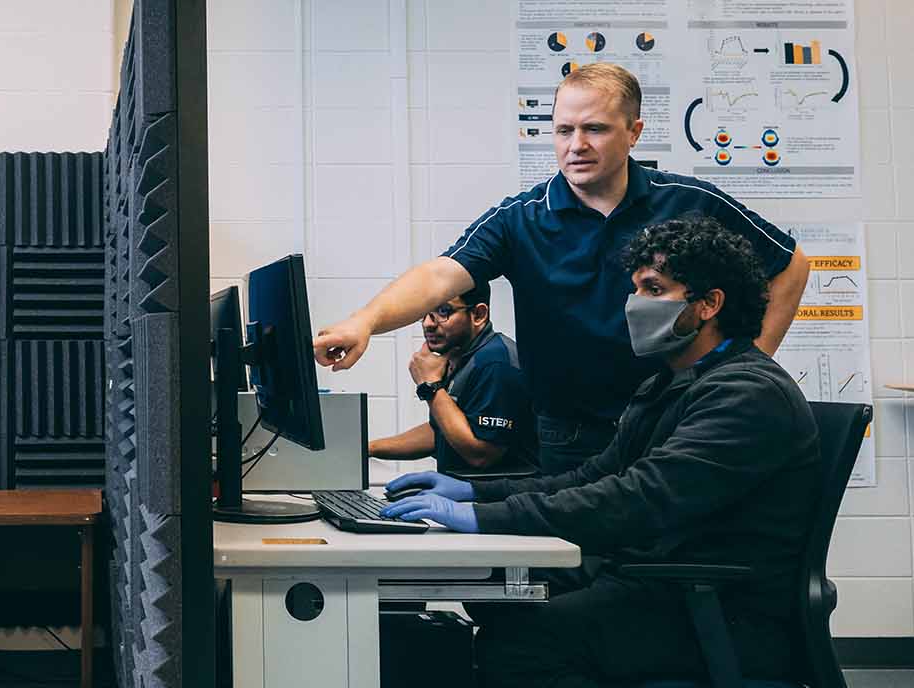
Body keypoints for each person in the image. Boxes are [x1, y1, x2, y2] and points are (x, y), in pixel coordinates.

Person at [379, 216, 844, 688]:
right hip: (664, 583)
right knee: (499, 593)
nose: (634, 304)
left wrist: (483, 520)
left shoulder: (745, 394)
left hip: (721, 610)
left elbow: (637, 499)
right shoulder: (671, 382)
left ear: (708, 304)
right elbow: (593, 476)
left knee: (518, 650)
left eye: (653, 289)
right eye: (635, 287)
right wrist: (470, 495)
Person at [313, 62, 809, 477]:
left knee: (662, 552)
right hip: (568, 435)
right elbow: (441, 276)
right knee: (572, 554)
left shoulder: (687, 202)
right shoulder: (521, 218)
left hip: (673, 420)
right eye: (564, 130)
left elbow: (790, 266)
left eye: (595, 129)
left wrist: (743, 364)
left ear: (634, 133)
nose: (577, 145)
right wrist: (365, 322)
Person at [367, 280, 536, 476]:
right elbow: (443, 432)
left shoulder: (495, 364)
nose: (428, 323)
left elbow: (482, 455)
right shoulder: (460, 356)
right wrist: (369, 448)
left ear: (478, 315)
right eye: (424, 313)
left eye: (443, 311)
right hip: (463, 488)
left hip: (499, 493)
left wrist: (430, 386)